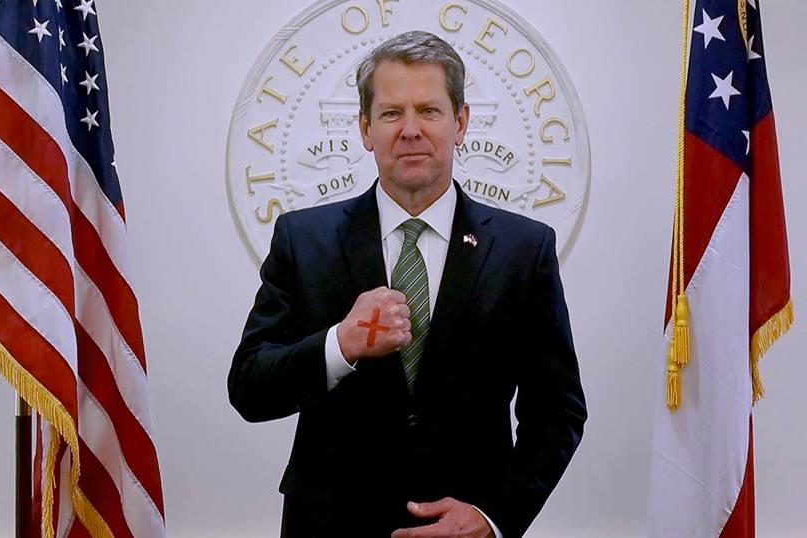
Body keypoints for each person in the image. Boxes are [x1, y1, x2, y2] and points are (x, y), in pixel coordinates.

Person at [228, 30, 586, 538]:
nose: (410, 130)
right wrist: (340, 345)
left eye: (429, 111)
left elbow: (558, 409)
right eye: (392, 113)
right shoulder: (302, 239)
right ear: (365, 128)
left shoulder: (523, 249)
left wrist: (494, 516)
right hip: (330, 524)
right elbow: (248, 387)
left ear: (460, 123)